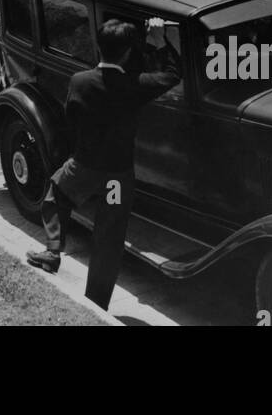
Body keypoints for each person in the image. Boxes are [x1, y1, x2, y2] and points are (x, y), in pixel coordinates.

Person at [27, 17, 182, 310]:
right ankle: (96, 304)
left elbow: (70, 117)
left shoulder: (79, 81)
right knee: (108, 238)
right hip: (117, 176)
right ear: (128, 53)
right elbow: (173, 75)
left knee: (56, 194)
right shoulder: (136, 85)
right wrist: (160, 44)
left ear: (99, 47)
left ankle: (52, 251)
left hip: (83, 166)